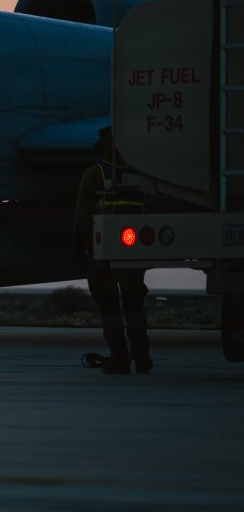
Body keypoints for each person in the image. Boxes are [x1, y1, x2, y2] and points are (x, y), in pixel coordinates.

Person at [76, 139, 152, 374]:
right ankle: (142, 359)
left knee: (110, 308)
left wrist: (82, 251)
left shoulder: (94, 174)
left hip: (103, 254)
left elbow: (83, 216)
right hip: (133, 253)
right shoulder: (142, 174)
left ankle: (120, 358)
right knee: (134, 307)